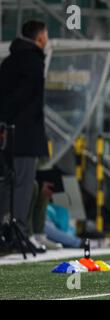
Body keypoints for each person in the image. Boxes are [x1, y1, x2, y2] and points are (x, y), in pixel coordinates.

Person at [0, 20, 49, 245]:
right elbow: (27, 98)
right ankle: (18, 232)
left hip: (8, 133)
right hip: (25, 134)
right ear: (40, 37)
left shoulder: (10, 60)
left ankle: (6, 229)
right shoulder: (33, 62)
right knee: (24, 183)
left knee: (9, 182)